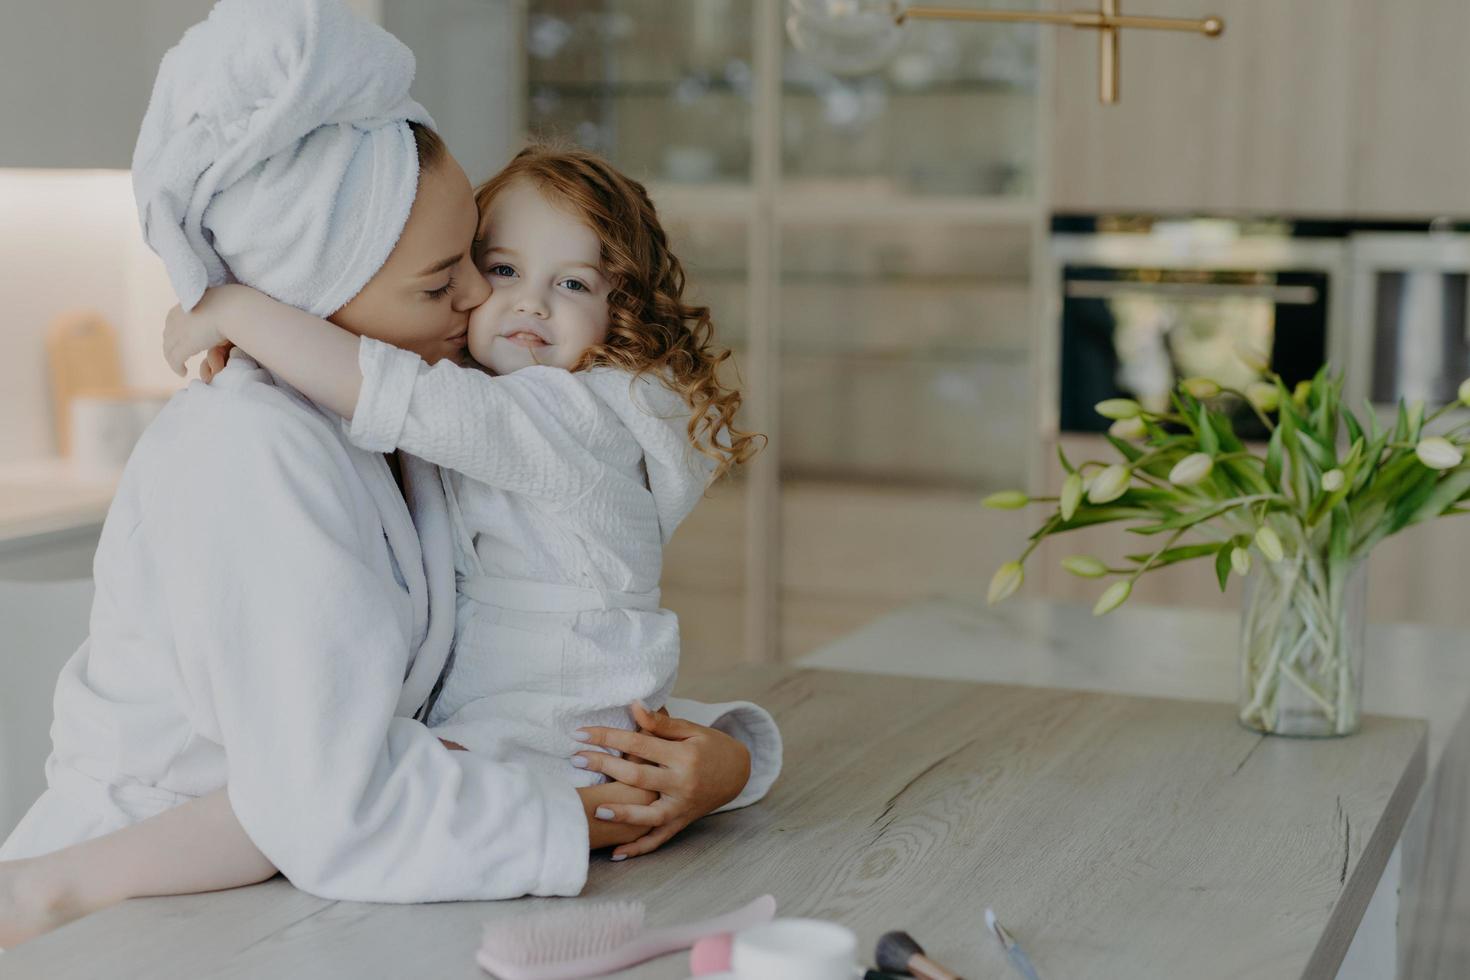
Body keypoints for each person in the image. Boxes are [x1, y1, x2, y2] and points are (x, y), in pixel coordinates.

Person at [0, 0, 779, 948]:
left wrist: (719, 759)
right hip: (140, 921)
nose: (480, 300)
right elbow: (336, 804)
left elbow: (549, 660)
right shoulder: (259, 453)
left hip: (312, 880)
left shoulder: (415, 439)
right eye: (450, 274)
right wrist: (591, 813)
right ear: (320, 290)